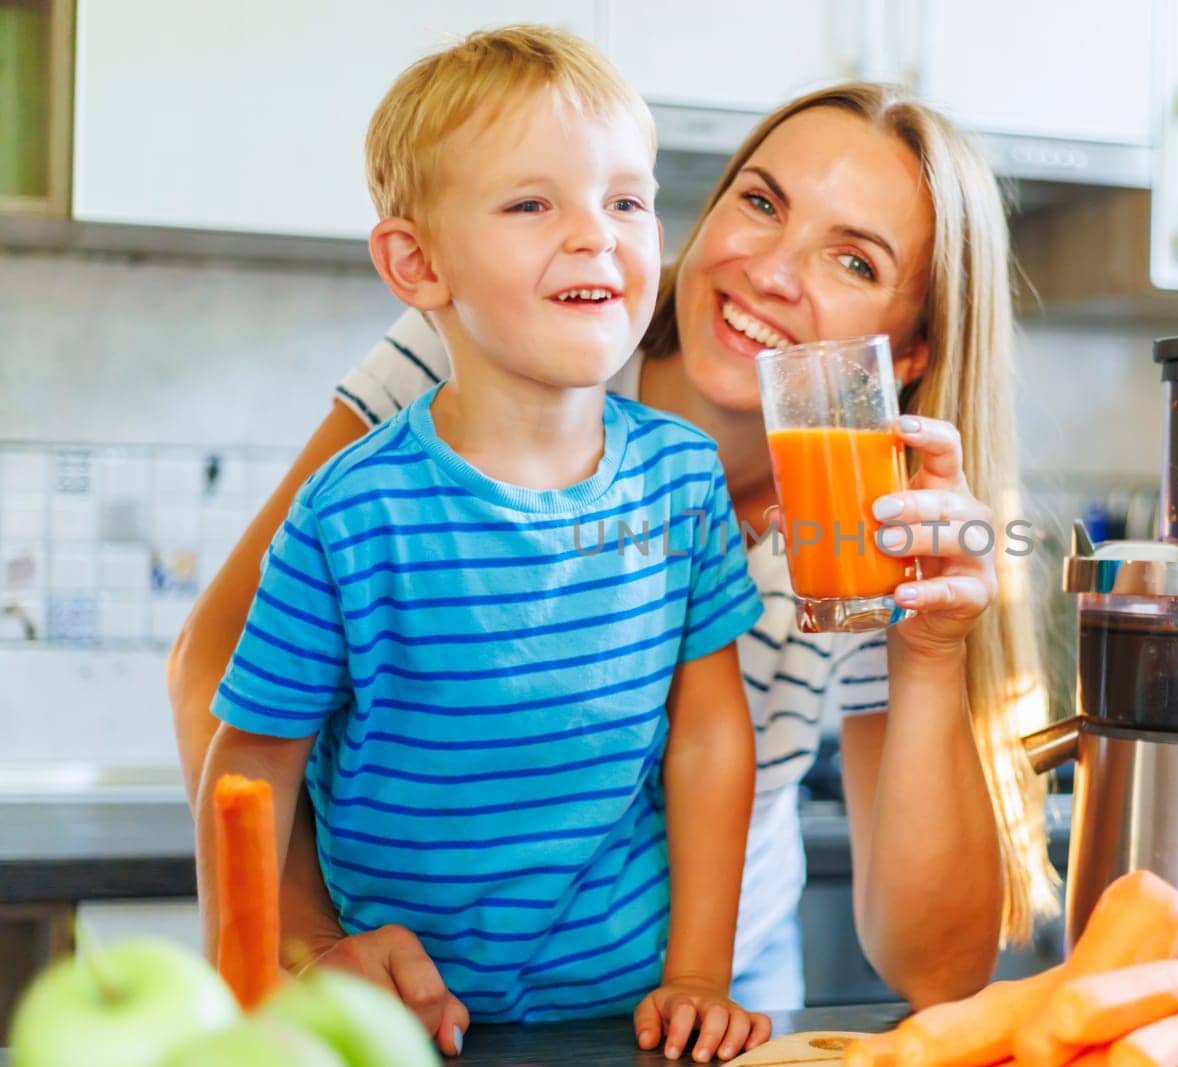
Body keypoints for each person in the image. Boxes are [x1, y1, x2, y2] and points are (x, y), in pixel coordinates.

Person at [170, 75, 1057, 1055]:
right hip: (409, 986)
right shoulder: (492, 342)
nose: (772, 270)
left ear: (909, 353)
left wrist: (929, 649)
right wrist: (304, 942)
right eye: (760, 202)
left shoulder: (873, 525)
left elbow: (933, 970)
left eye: (852, 259)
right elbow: (222, 669)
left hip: (695, 992)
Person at [192, 26, 770, 1062]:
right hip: (399, 1024)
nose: (596, 235)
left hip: (624, 1017)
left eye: (626, 200)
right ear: (417, 262)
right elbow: (249, 766)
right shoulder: (349, 514)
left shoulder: (682, 480)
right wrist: (269, 977)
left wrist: (699, 973)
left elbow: (710, 736)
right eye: (531, 203)